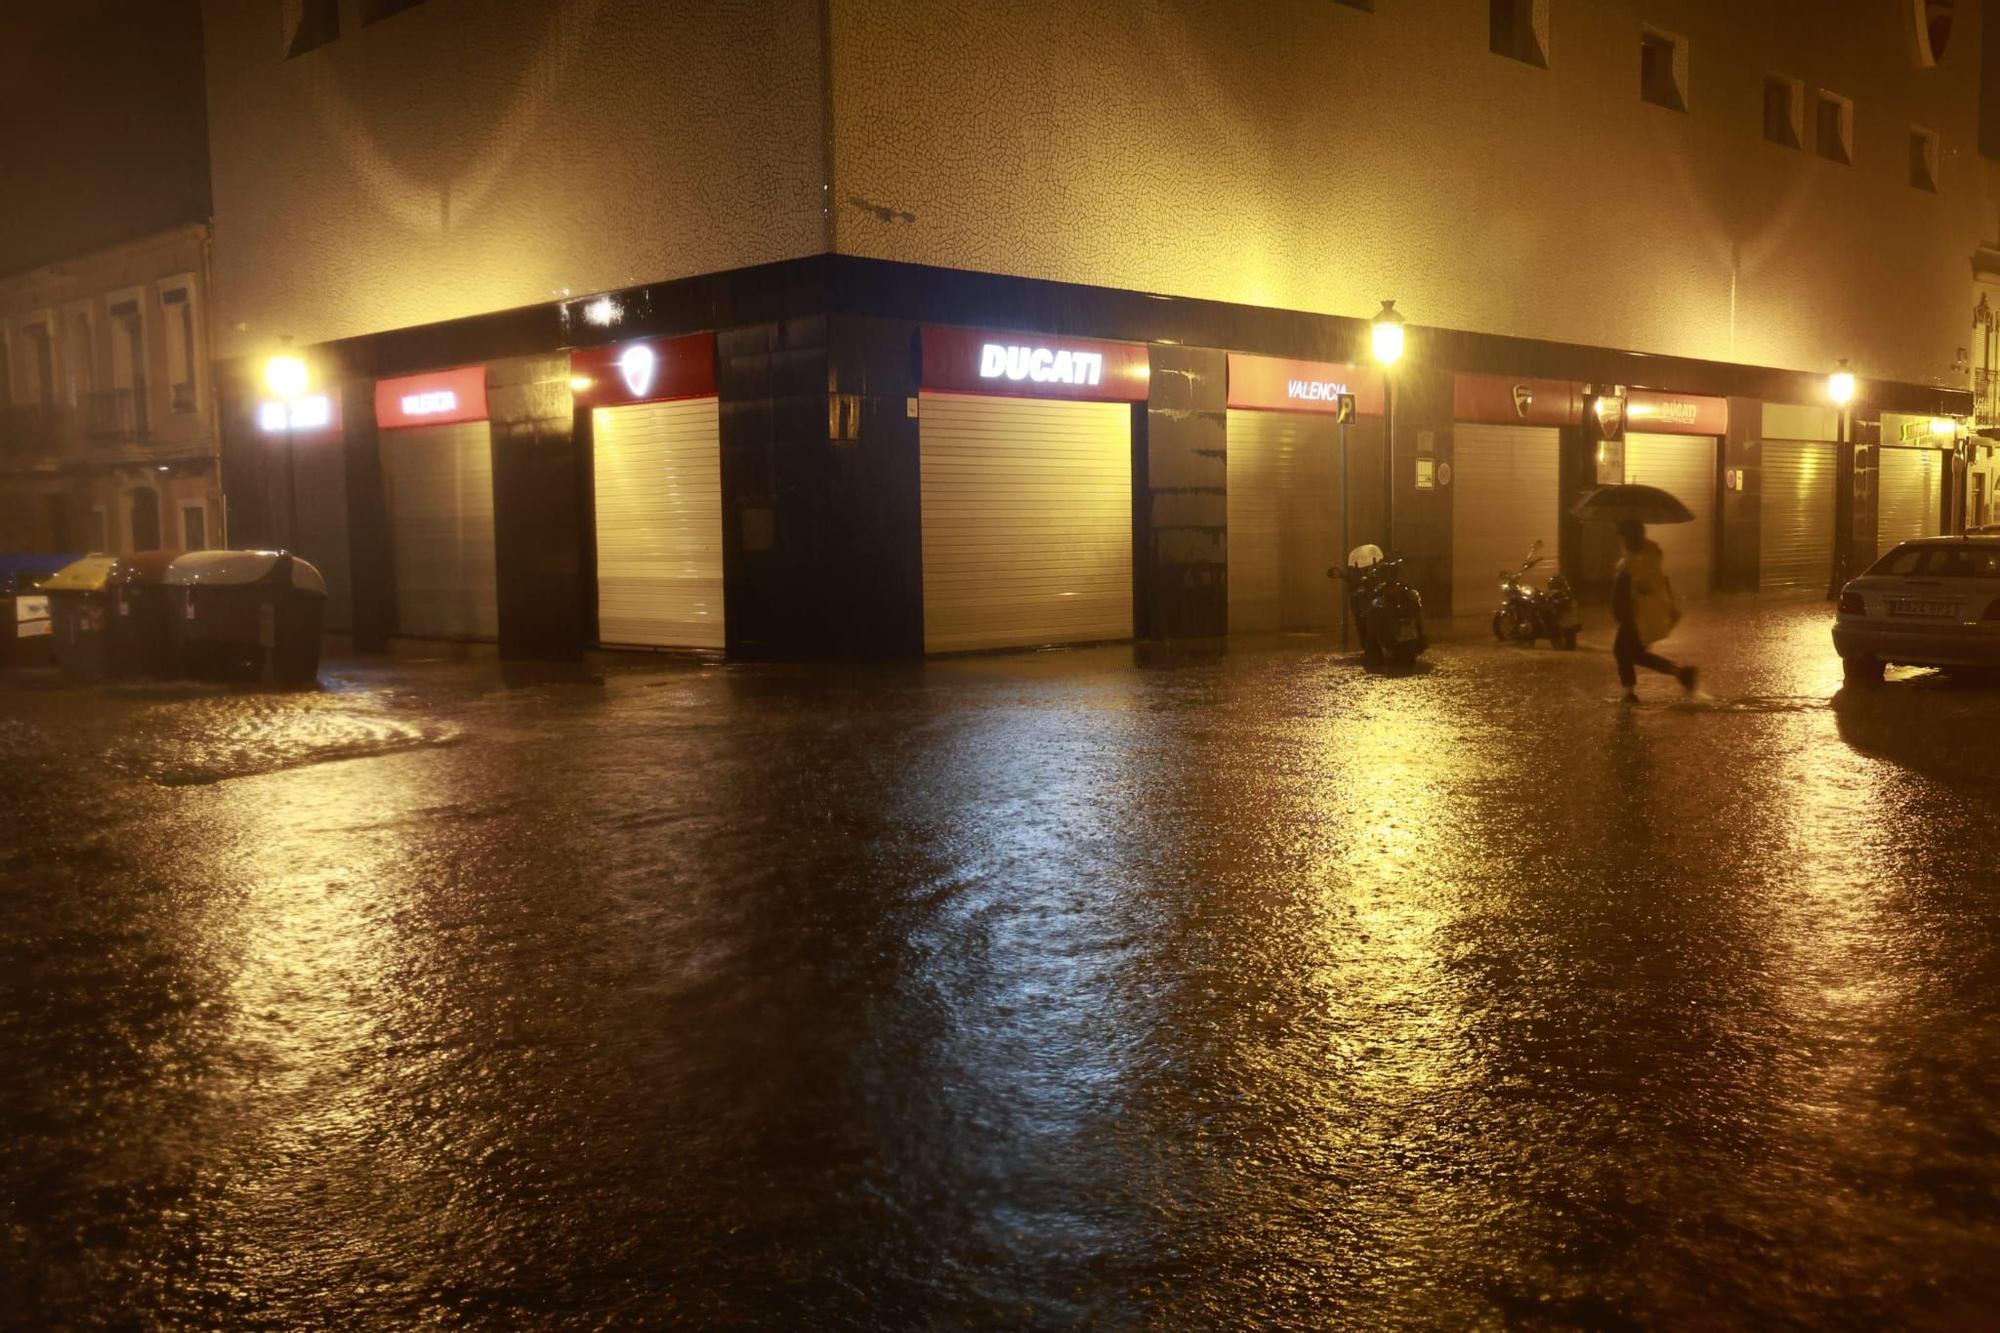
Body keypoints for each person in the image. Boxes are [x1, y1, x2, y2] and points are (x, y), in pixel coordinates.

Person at [1611, 518, 1697, 702]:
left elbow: (1625, 593)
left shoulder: (1631, 564)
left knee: (1624, 651)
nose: (1620, 540)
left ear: (1627, 538)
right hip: (1647, 615)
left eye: (1622, 536)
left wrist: (1622, 615)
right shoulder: (1649, 556)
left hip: (1635, 617)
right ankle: (1681, 674)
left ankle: (1630, 692)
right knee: (1632, 653)